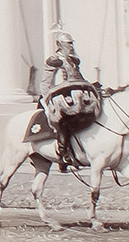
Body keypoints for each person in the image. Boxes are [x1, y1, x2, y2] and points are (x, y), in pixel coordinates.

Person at [41, 29, 91, 171]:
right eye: (68, 43)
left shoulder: (73, 60)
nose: (71, 46)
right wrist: (49, 101)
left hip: (75, 96)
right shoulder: (54, 61)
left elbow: (78, 78)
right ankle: (62, 154)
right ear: (59, 44)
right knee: (66, 119)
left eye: (71, 43)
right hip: (60, 98)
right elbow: (46, 83)